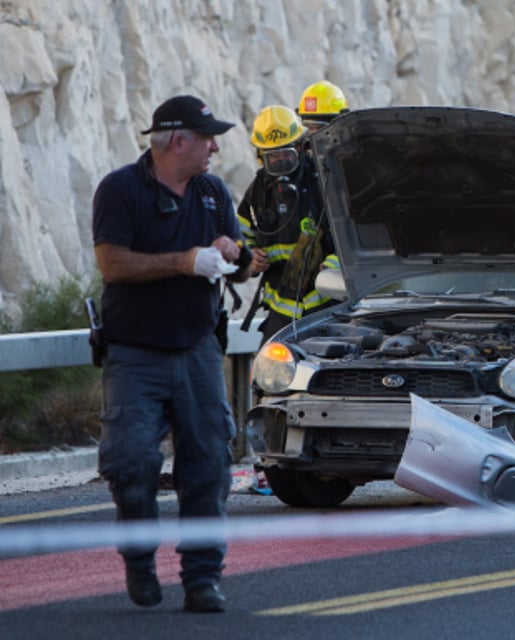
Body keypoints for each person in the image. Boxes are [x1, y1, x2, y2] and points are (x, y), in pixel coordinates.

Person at [91, 94, 252, 612]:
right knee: (132, 463)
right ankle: (139, 564)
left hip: (199, 349)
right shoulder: (121, 190)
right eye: (208, 138)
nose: (216, 148)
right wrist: (183, 262)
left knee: (209, 465)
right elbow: (113, 265)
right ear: (177, 141)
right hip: (134, 354)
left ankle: (203, 579)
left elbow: (243, 259)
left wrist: (237, 255)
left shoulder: (212, 192)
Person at [238, 105, 339, 344]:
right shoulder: (258, 193)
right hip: (281, 310)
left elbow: (350, 235)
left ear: (300, 147)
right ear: (261, 156)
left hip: (328, 305)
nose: (281, 162)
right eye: (273, 157)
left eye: (286, 155)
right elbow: (239, 236)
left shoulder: (324, 183)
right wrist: (249, 256)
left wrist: (334, 265)